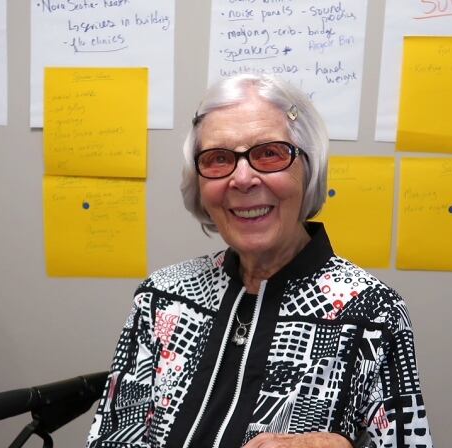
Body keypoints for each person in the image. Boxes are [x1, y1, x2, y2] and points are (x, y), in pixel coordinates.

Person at [86, 74, 433, 448]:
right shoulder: (163, 297)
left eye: (269, 153)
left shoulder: (372, 314)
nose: (243, 179)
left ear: (308, 169)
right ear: (199, 185)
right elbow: (111, 438)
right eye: (218, 159)